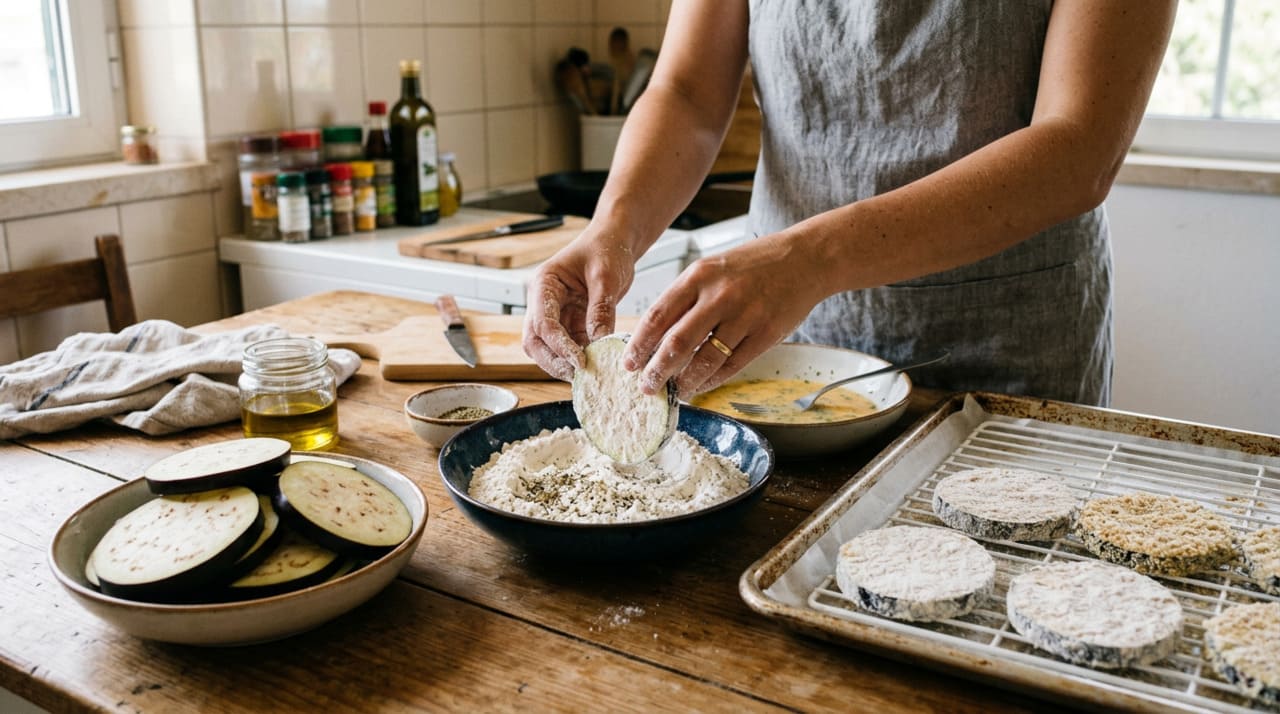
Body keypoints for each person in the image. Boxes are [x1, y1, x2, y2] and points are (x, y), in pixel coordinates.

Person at [524, 1, 1176, 407]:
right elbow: (687, 91)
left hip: (1006, 350)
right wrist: (614, 225)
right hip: (789, 350)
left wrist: (811, 258)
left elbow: (1076, 150)